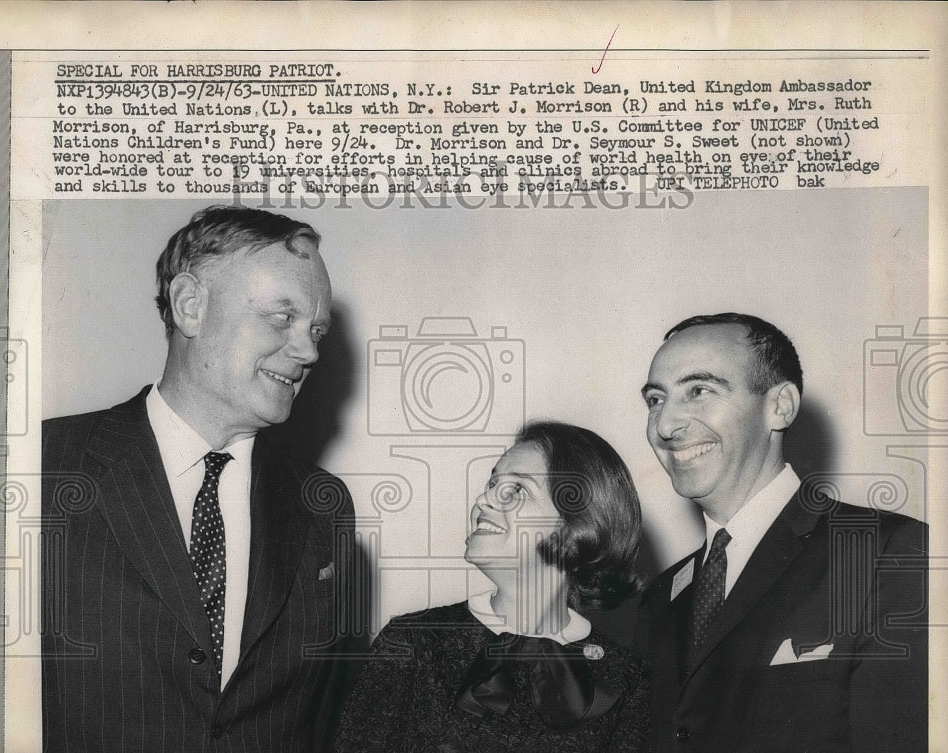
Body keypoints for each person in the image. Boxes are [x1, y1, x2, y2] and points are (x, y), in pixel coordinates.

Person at [41, 206, 355, 752]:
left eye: (316, 330)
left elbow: (322, 717)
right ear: (191, 307)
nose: (308, 351)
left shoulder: (323, 506)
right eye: (283, 318)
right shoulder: (44, 463)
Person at [637, 313, 928, 753]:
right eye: (656, 399)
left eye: (699, 390)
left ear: (780, 406)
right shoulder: (660, 597)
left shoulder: (885, 553)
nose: (665, 426)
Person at [334, 421, 650, 753]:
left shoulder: (626, 678)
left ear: (578, 523)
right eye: (492, 483)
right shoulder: (411, 641)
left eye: (517, 490)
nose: (484, 500)